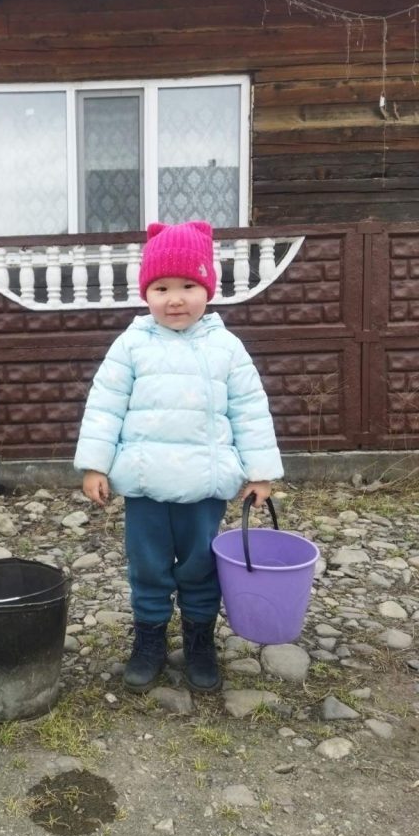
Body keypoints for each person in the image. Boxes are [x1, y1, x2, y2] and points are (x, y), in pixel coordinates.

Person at [74, 221, 283, 694]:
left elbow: (250, 410)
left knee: (200, 567)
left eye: (188, 286)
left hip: (204, 488)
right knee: (147, 567)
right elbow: (105, 405)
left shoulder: (226, 348)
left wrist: (261, 473)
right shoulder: (131, 344)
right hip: (145, 485)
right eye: (161, 288)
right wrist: (95, 465)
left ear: (208, 288)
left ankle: (199, 641)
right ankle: (149, 639)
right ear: (146, 293)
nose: (175, 299)